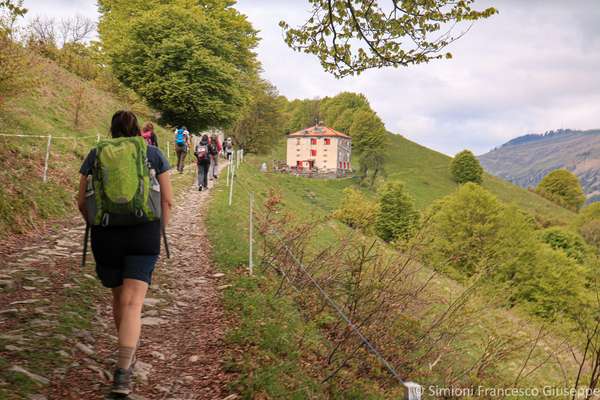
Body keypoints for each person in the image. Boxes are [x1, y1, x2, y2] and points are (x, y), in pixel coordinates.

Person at [77, 111, 173, 396]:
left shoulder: (96, 154)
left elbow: (82, 201)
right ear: (137, 131)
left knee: (119, 299)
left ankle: (125, 357)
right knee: (134, 304)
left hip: (106, 234)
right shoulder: (153, 154)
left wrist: (95, 223)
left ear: (112, 130)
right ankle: (123, 371)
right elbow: (167, 199)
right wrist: (159, 229)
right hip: (144, 233)